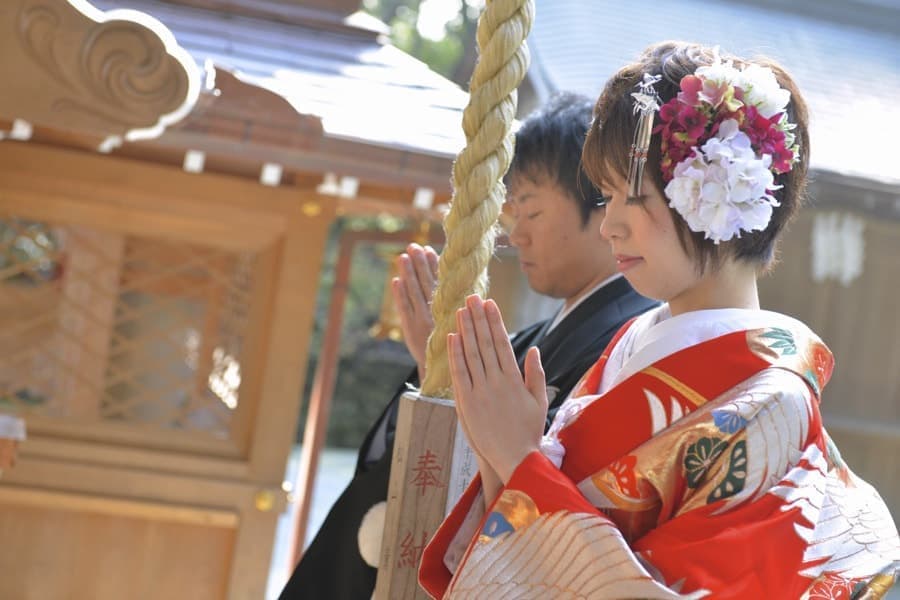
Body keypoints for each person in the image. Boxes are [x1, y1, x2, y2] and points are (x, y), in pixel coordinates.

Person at [419, 42, 900, 598]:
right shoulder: (633, 340)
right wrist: (500, 455)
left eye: (635, 196)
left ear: (715, 194)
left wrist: (518, 458)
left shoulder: (773, 404)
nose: (610, 227)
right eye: (605, 198)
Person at [278, 92, 659, 600]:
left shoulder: (627, 343)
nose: (514, 234)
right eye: (511, 213)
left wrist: (458, 395)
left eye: (531, 210)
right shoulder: (534, 340)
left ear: (602, 203)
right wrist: (435, 369)